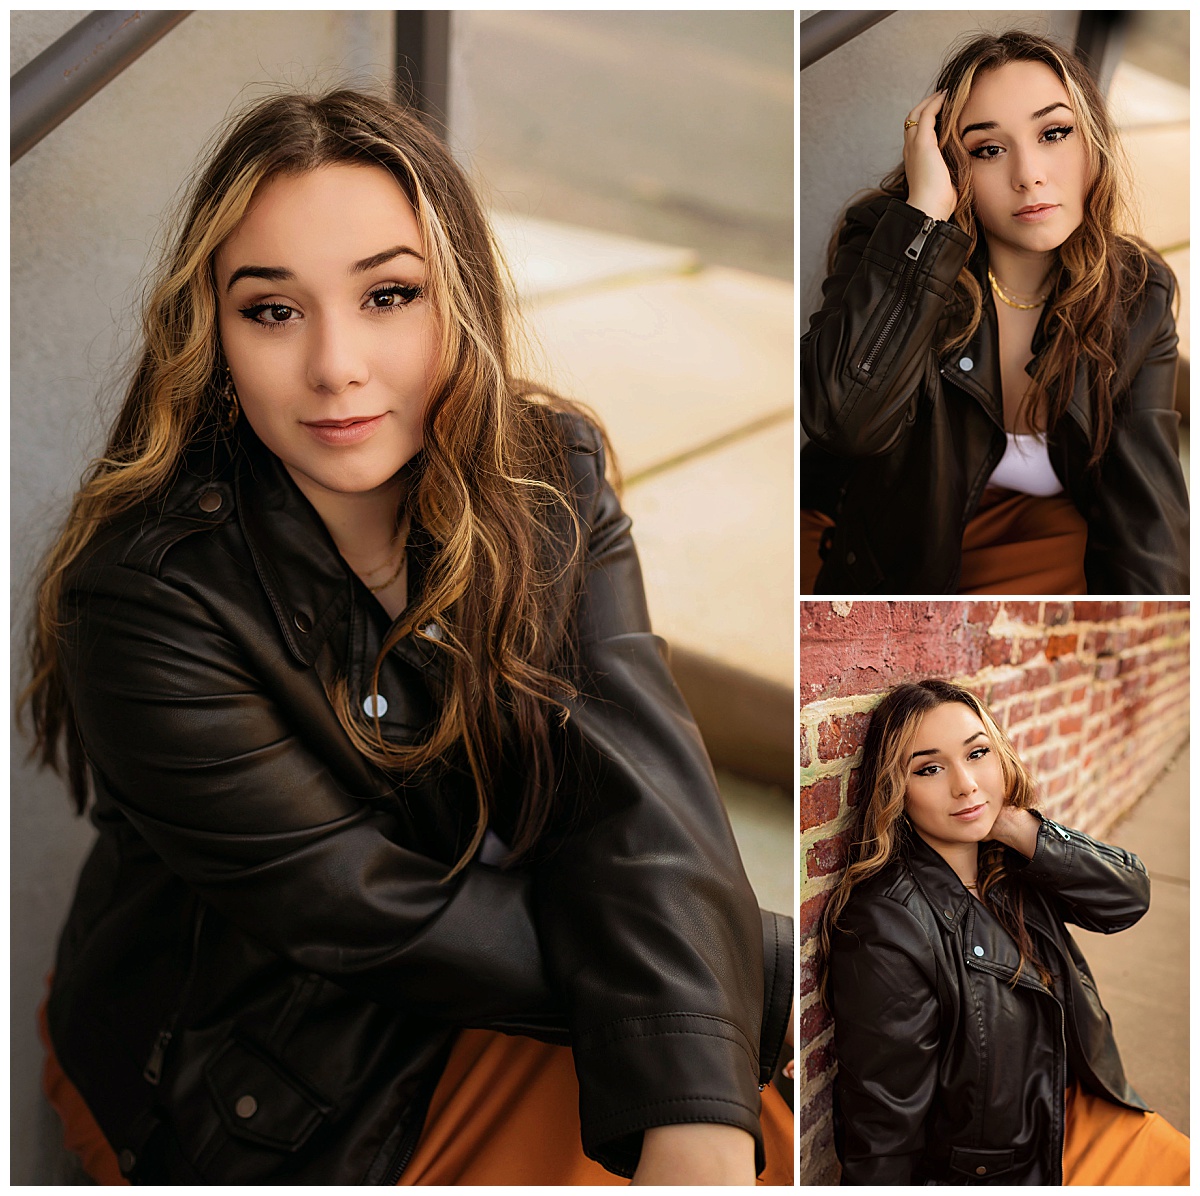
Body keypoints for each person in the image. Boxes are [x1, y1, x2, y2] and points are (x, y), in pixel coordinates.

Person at [23, 89, 794, 1185]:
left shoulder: (544, 475)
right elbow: (370, 914)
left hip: (486, 977)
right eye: (273, 310)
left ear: (457, 299)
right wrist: (734, 980)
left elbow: (632, 778)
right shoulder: (145, 600)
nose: (337, 365)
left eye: (389, 294)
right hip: (250, 1066)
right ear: (213, 330)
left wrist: (699, 1063)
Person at [800, 31, 1189, 595]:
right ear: (951, 164)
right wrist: (926, 222)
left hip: (1043, 544)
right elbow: (843, 422)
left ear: (1093, 143)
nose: (1028, 173)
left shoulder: (1137, 294)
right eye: (988, 149)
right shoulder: (896, 238)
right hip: (892, 554)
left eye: (1053, 133)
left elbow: (1149, 521)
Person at [817, 678, 1189, 1185]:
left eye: (977, 754)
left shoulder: (1010, 862)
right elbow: (885, 1130)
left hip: (1079, 1111)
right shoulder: (887, 926)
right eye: (929, 768)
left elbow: (1127, 898)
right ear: (895, 791)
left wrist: (1018, 828)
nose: (965, 784)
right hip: (1011, 1170)